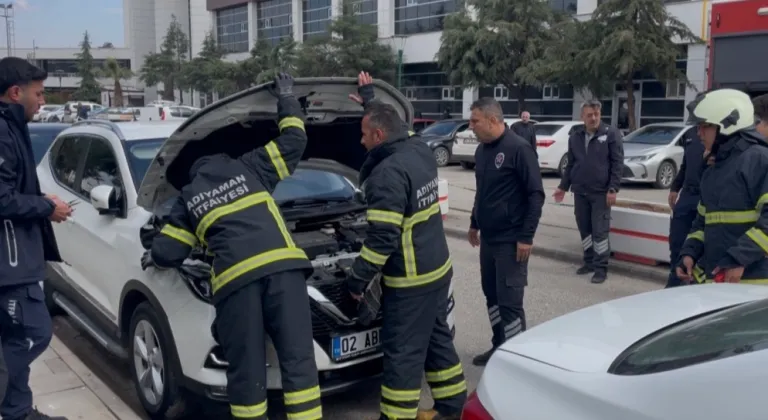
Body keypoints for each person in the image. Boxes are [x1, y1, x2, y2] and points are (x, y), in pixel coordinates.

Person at [142, 73, 323, 420]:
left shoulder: (188, 198)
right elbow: (295, 139)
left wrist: (153, 250)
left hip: (237, 287)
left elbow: (168, 254)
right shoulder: (251, 167)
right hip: (285, 274)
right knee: (299, 364)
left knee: (247, 372)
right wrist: (285, 97)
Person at [345, 72, 467, 420]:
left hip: (410, 282)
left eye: (365, 135)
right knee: (436, 338)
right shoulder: (419, 149)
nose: (361, 142)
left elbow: (381, 240)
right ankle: (452, 406)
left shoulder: (386, 175)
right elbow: (395, 125)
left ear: (379, 135)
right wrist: (370, 100)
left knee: (403, 354)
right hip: (437, 270)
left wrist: (356, 281)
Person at [0, 57, 72, 420]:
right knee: (34, 332)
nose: (43, 101)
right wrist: (46, 207)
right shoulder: (1, 130)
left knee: (16, 338)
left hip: (17, 259)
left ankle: (17, 412)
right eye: (39, 93)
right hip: (11, 264)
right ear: (16, 92)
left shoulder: (12, 127)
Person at [466, 98, 545, 367]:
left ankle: (516, 361)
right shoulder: (482, 151)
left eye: (475, 120)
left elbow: (536, 195)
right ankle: (499, 346)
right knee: (492, 296)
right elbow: (482, 192)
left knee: (510, 302)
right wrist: (474, 222)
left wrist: (526, 237)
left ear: (492, 120)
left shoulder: (519, 149)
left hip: (512, 242)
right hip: (489, 239)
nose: (470, 126)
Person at [676, 89, 768, 286]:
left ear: (728, 125)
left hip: (754, 285)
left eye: (705, 126)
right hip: (718, 283)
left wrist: (738, 258)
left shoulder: (759, 160)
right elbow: (702, 221)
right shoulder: (712, 170)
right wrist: (689, 253)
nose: (698, 133)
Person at [553, 100, 623, 284]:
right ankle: (589, 262)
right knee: (585, 230)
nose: (593, 118)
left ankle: (601, 268)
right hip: (580, 192)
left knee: (600, 232)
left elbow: (617, 163)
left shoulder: (610, 134)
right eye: (589, 115)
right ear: (582, 117)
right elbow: (571, 165)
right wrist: (563, 186)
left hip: (601, 193)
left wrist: (613, 188)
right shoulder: (575, 136)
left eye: (596, 114)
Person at [666, 129, 705, 288]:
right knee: (676, 241)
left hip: (706, 195)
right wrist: (675, 187)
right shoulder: (690, 133)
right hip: (687, 195)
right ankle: (674, 282)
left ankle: (692, 286)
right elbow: (685, 165)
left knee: (699, 244)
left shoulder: (718, 132)